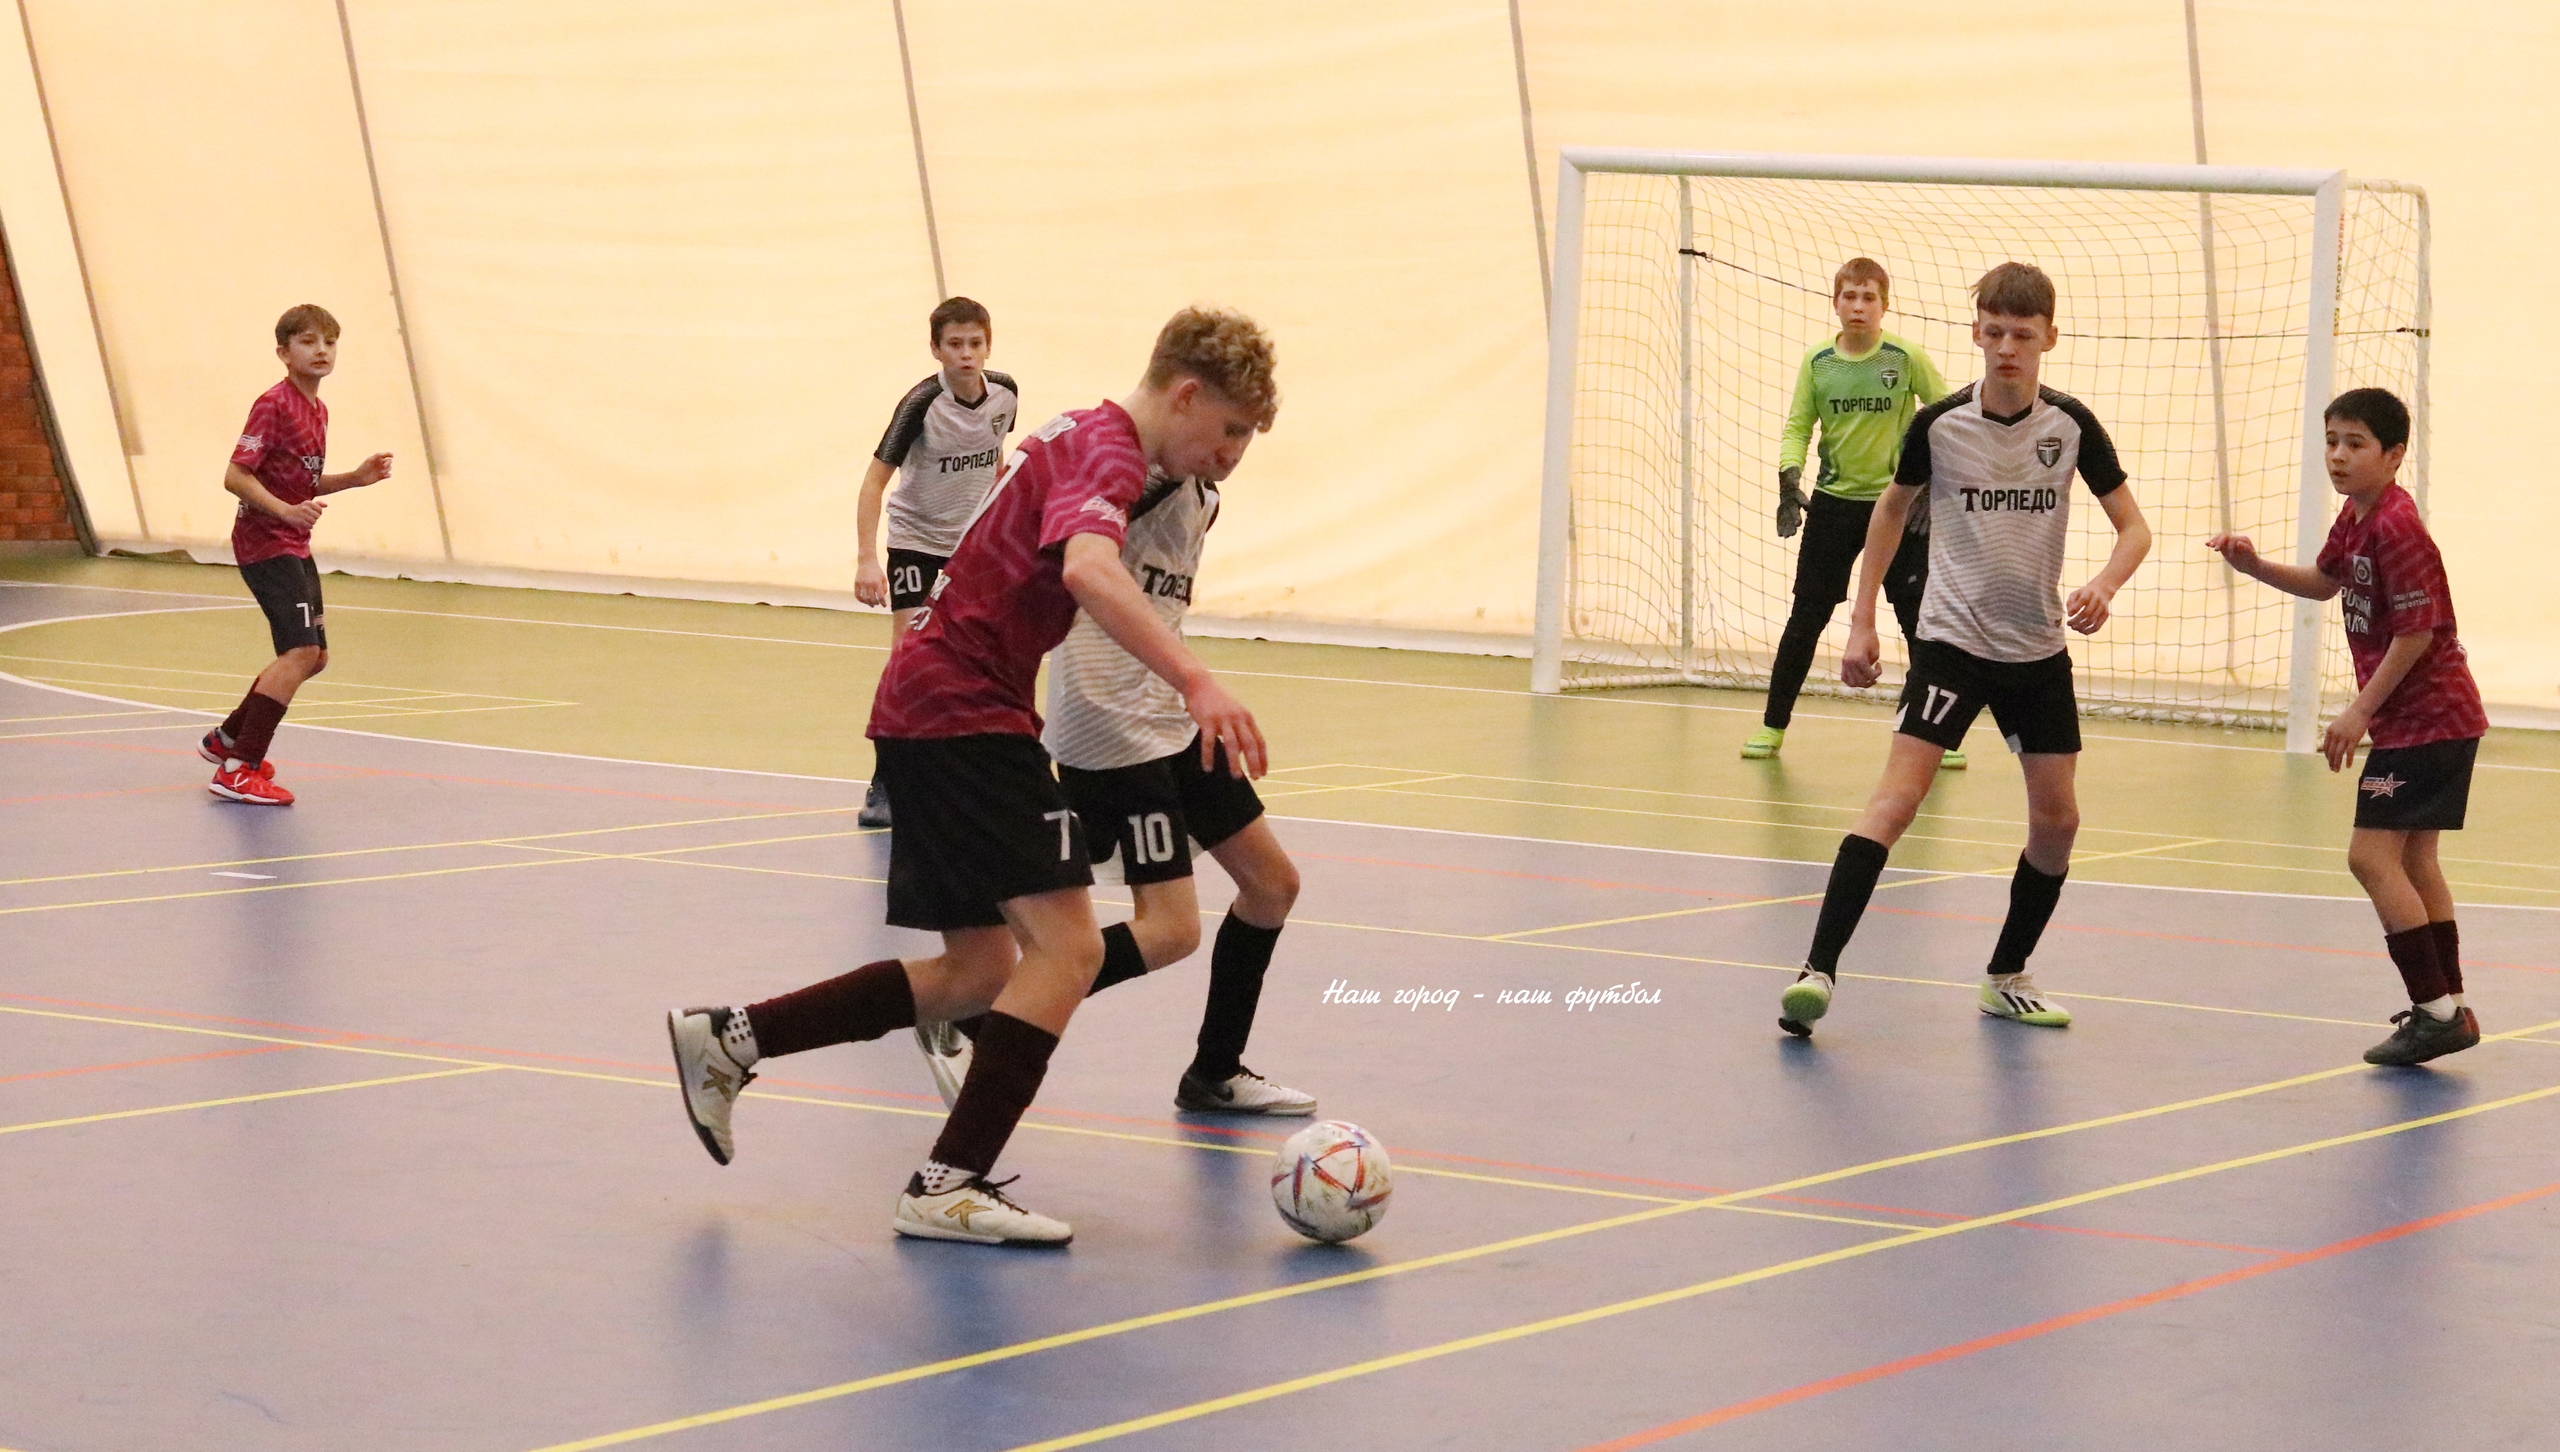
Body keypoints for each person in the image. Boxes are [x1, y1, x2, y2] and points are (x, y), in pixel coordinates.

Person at [668, 307, 1279, 1246]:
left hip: (931, 705)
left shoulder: (1076, 431)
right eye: (1230, 428)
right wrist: (1195, 679)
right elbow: (1089, 570)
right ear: (1187, 395)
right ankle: (948, 1183)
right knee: (1068, 952)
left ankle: (731, 1037)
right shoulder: (1110, 451)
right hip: (962, 711)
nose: (1232, 453)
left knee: (976, 971)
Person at [1776, 262, 2151, 1038]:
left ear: (2050, 338)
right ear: (1976, 333)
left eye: (2023, 335)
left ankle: (2006, 976)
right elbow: (1890, 512)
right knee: (1895, 801)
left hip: (2036, 652)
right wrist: (1863, 620)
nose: (2008, 347)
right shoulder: (1940, 425)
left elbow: (2135, 528)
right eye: (1995, 332)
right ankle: (1816, 970)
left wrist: (2106, 585)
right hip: (1951, 644)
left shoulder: (2071, 426)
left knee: (2059, 822)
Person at [911, 463, 1316, 1118]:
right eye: (1228, 429)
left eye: (1248, 437)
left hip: (1171, 718)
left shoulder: (1202, 496)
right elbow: (1066, 553)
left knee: (1272, 886)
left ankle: (1214, 1072)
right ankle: (976, 1018)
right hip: (1110, 728)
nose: (1237, 449)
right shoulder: (1131, 480)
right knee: (1171, 929)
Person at [2207, 388, 2488, 1066]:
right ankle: (2449, 1005)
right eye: (2332, 440)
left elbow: (2417, 633)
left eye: (2355, 443)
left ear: (2393, 454)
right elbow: (2324, 581)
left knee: (2369, 858)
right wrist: (2255, 566)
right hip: (2433, 722)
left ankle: (2435, 1012)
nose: (2338, 455)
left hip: (2427, 720)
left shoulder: (2397, 527)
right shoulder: (2356, 516)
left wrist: (2360, 710)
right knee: (2415, 861)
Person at [1748, 258, 1957, 767]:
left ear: (1884, 306)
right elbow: (1799, 426)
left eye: (1868, 297)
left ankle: (1935, 735)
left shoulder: (1905, 357)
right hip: (1834, 504)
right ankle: (1772, 726)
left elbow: (1950, 417)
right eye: (1850, 296)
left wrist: (1933, 484)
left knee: (1918, 621)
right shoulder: (1818, 361)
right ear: (1835, 303)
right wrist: (1789, 477)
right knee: (1806, 617)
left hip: (1897, 506)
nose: (1859, 306)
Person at [199, 304, 394, 806]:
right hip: (264, 542)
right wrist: (285, 512)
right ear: (284, 353)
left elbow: (300, 480)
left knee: (316, 657)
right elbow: (236, 476)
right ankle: (238, 769)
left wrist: (354, 479)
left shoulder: (318, 410)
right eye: (308, 341)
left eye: (330, 341)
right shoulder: (273, 404)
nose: (322, 350)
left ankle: (227, 738)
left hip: (291, 541)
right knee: (300, 653)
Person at [852, 296, 1020, 828]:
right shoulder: (921, 404)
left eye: (975, 343)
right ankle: (887, 781)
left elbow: (993, 458)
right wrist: (866, 560)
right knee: (910, 661)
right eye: (954, 345)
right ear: (936, 349)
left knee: (975, 661)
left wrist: (997, 529)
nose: (966, 354)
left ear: (988, 346)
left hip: (970, 548)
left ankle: (964, 777)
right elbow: (874, 482)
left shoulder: (1006, 394)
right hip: (916, 543)